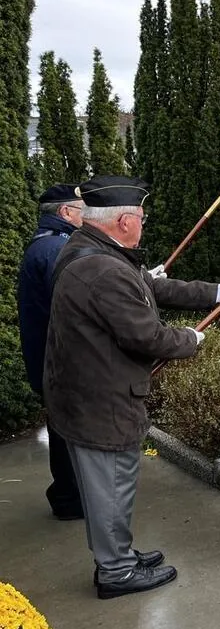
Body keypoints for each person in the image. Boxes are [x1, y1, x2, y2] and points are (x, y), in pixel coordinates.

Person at [44, 175, 220, 599]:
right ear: (123, 222)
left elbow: (152, 286)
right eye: (141, 217)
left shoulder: (95, 251)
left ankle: (117, 554)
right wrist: (189, 340)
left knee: (109, 487)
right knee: (110, 488)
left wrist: (216, 292)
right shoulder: (103, 268)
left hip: (89, 394)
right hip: (102, 401)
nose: (144, 223)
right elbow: (146, 336)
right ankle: (116, 572)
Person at [16, 184, 85, 520]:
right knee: (69, 431)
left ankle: (67, 495)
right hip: (61, 360)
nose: (86, 215)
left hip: (48, 358)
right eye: (81, 208)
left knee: (63, 428)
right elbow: (81, 302)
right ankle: (70, 499)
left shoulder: (45, 245)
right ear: (65, 213)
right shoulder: (58, 249)